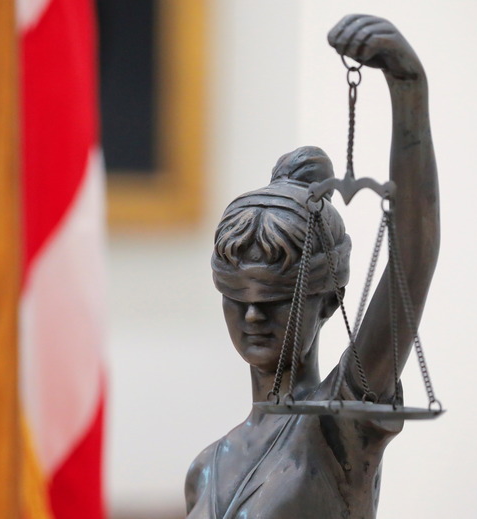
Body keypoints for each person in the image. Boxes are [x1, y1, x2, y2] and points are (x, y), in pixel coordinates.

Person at [185, 15, 439, 519]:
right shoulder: (206, 469)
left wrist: (408, 92)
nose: (253, 315)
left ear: (329, 300)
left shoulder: (339, 424)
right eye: (239, 299)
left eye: (276, 299)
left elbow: (411, 260)